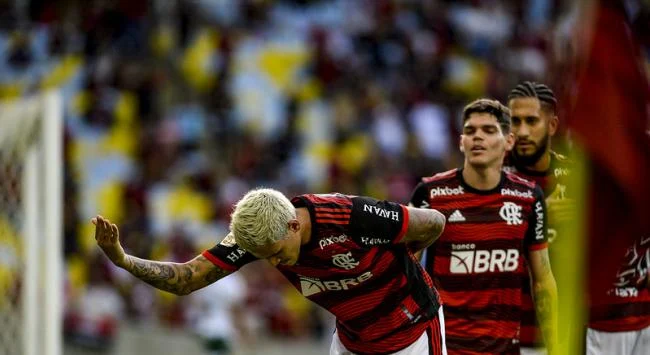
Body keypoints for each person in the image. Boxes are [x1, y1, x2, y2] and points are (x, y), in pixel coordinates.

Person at [92, 188, 448, 354]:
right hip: (352, 341)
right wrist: (123, 259)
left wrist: (406, 261)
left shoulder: (350, 215)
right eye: (266, 258)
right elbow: (188, 279)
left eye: (277, 254)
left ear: (294, 227)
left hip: (411, 332)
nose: (275, 264)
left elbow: (433, 222)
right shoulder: (258, 236)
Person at [409, 99, 558, 355]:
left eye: (488, 130)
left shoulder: (529, 197)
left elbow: (543, 280)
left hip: (505, 349)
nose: (477, 136)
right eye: (470, 130)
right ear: (461, 141)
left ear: (509, 142)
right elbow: (402, 270)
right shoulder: (430, 195)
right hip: (445, 347)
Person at [505, 81, 574, 355]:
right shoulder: (489, 176)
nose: (522, 131)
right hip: (502, 333)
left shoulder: (575, 177)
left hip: (563, 333)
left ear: (553, 126)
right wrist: (540, 216)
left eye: (531, 121)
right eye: (515, 121)